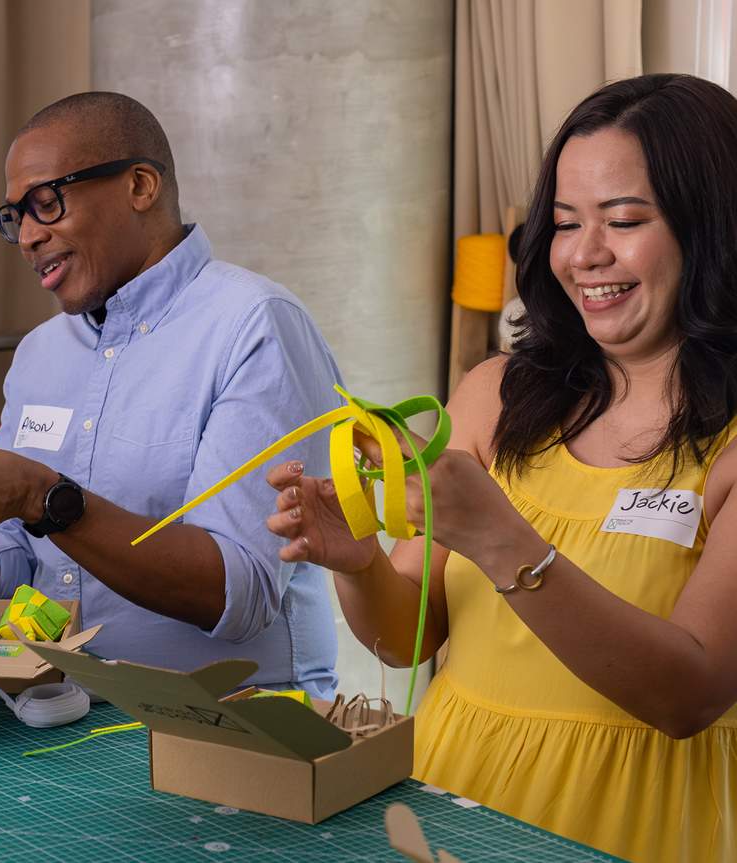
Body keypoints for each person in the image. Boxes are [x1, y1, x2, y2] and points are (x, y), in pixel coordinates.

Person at [266, 73, 737, 863]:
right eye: (562, 223)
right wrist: (355, 564)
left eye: (622, 219)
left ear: (714, 228)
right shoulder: (496, 395)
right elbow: (405, 638)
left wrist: (502, 541)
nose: (585, 254)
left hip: (636, 819)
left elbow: (687, 694)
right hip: (448, 795)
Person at [0, 92, 343, 692]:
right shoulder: (43, 352)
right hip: (66, 707)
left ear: (140, 186)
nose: (30, 236)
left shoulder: (254, 325)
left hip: (230, 723)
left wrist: (45, 498)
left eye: (47, 202)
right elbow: (12, 564)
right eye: (16, 217)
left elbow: (239, 594)